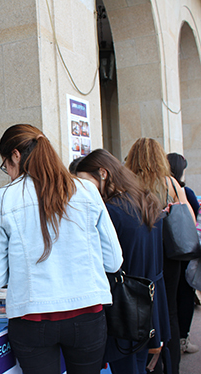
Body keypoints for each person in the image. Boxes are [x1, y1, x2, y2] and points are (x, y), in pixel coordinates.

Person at [0, 124, 123, 374]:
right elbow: (113, 261)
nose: (8, 173)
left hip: (32, 319)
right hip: (88, 314)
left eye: (6, 166)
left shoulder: (4, 198)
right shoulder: (87, 189)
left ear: (15, 155)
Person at [76, 149, 170, 374]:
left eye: (85, 182)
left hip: (125, 307)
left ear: (103, 173)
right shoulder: (145, 199)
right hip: (148, 301)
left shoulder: (111, 211)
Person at [125, 138, 196, 374]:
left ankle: (147, 362)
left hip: (144, 254)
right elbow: (190, 220)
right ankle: (171, 366)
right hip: (172, 255)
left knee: (143, 307)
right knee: (171, 311)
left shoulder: (130, 184)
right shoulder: (172, 184)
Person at [167, 152, 200, 354]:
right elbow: (193, 215)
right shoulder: (183, 191)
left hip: (166, 251)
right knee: (185, 293)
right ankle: (181, 339)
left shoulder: (158, 187)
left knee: (172, 295)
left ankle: (170, 340)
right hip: (184, 249)